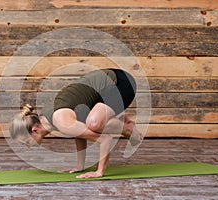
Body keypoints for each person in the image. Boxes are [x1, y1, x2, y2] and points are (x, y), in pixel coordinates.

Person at [9, 68, 143, 179]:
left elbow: (105, 139)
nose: (28, 146)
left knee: (94, 124)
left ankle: (128, 128)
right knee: (89, 123)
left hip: (122, 83)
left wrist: (99, 172)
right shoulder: (48, 117)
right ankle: (119, 120)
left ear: (34, 130)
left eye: (26, 142)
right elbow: (79, 132)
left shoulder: (60, 121)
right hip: (106, 89)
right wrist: (80, 166)